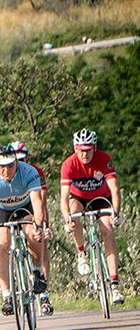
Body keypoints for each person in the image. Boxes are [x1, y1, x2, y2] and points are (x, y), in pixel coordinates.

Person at [0, 146, 51, 316]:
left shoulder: (29, 172)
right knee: (1, 241)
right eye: (1, 166)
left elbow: (38, 204)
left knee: (33, 233)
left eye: (10, 166)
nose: (6, 170)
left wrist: (39, 226)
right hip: (1, 209)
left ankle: (38, 270)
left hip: (24, 207)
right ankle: (6, 295)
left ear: (17, 162)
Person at [60, 129, 123, 305]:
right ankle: (81, 253)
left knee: (108, 231)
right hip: (79, 198)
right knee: (74, 215)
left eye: (88, 149)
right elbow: (64, 197)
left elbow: (115, 190)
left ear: (94, 147)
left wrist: (116, 213)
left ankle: (115, 285)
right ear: (75, 148)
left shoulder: (104, 159)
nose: (84, 153)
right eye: (80, 149)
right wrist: (67, 220)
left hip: (101, 198)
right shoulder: (69, 164)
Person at [9, 141, 52, 298]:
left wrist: (42, 225)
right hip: (10, 208)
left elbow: (41, 201)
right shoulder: (5, 172)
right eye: (17, 160)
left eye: (23, 160)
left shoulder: (35, 172)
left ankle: (44, 292)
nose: (20, 164)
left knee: (41, 244)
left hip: (32, 208)